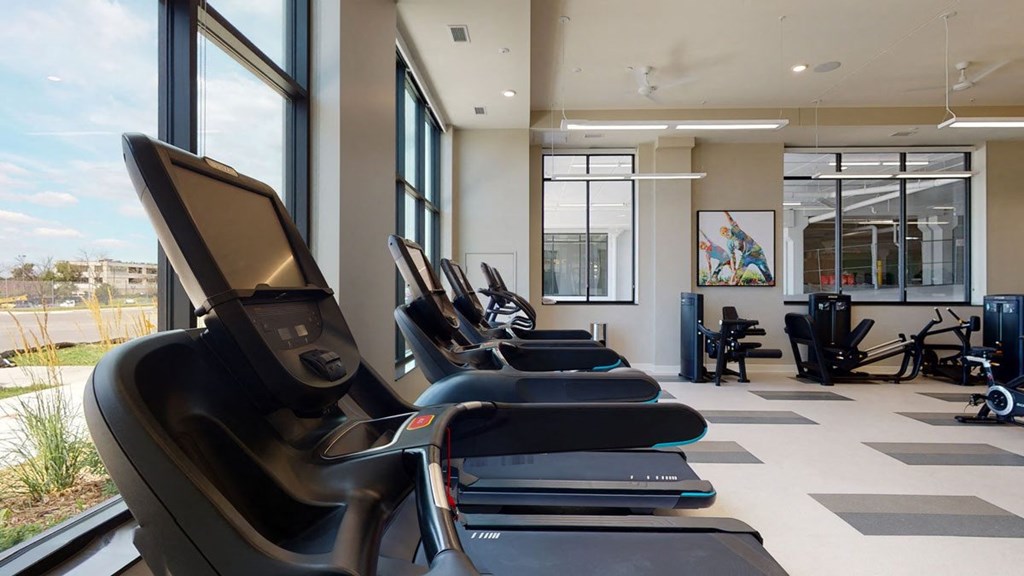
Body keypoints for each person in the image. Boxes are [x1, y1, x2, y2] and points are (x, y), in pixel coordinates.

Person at [719, 211, 773, 284]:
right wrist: (733, 269)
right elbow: (732, 257)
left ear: (728, 230)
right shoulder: (729, 243)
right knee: (736, 279)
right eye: (724, 233)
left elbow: (731, 221)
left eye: (726, 231)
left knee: (768, 277)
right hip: (746, 256)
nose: (726, 234)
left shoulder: (736, 231)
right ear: (724, 236)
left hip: (757, 253)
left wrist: (726, 213)